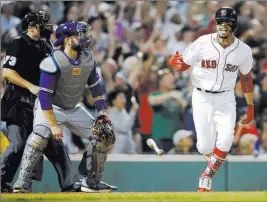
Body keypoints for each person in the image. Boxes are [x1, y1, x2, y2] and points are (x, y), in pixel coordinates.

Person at [13, 20, 117, 193]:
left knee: (105, 136)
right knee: (40, 135)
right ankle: (21, 184)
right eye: (80, 34)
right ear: (68, 39)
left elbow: (96, 89)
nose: (84, 38)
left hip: (73, 107)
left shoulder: (88, 59)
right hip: (50, 107)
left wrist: (102, 112)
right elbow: (45, 96)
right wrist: (53, 125)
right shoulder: (53, 61)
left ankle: (90, 182)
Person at [169, 7, 254, 192]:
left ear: (234, 25)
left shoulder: (243, 50)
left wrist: (250, 104)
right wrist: (175, 63)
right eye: (221, 22)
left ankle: (206, 176)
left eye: (228, 23)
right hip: (201, 96)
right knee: (204, 146)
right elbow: (184, 64)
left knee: (226, 140)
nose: (224, 26)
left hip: (225, 97)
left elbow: (246, 77)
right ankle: (213, 160)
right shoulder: (202, 42)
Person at [1, 10, 77, 193]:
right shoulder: (17, 43)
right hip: (17, 102)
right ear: (32, 27)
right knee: (18, 144)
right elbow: (8, 73)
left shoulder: (46, 46)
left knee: (55, 145)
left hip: (39, 104)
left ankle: (69, 184)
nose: (47, 27)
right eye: (43, 24)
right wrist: (30, 86)